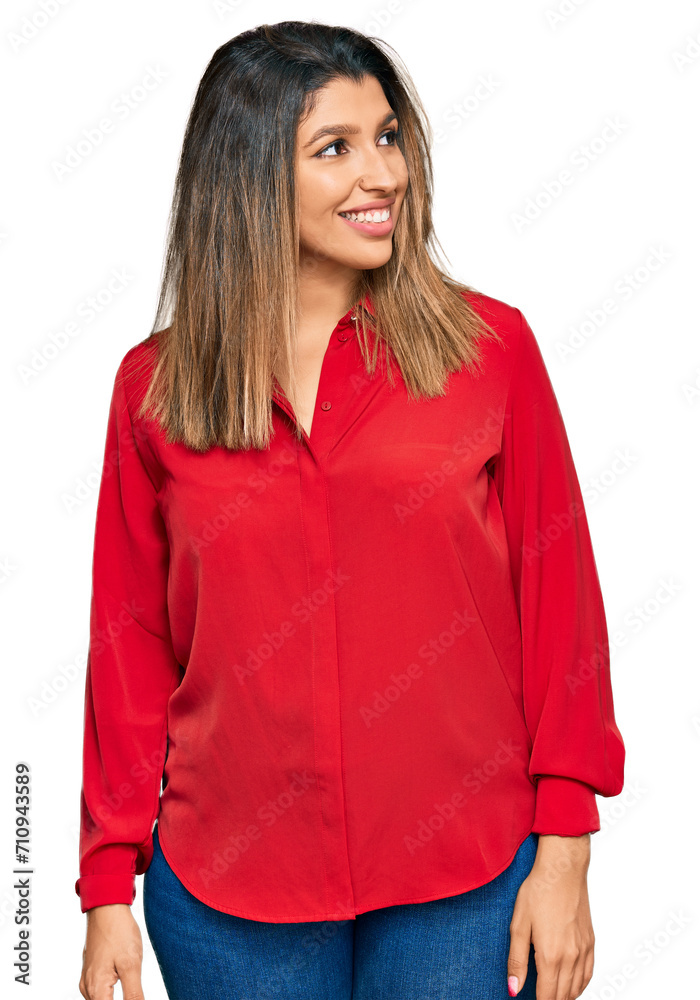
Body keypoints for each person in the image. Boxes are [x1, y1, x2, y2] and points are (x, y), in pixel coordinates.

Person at [76, 20, 625, 1000]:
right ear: (244, 176)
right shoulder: (153, 390)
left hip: (465, 881)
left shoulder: (488, 351)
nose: (382, 173)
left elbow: (562, 609)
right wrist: (106, 880)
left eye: (387, 136)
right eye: (334, 148)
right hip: (229, 899)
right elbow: (128, 643)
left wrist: (567, 845)